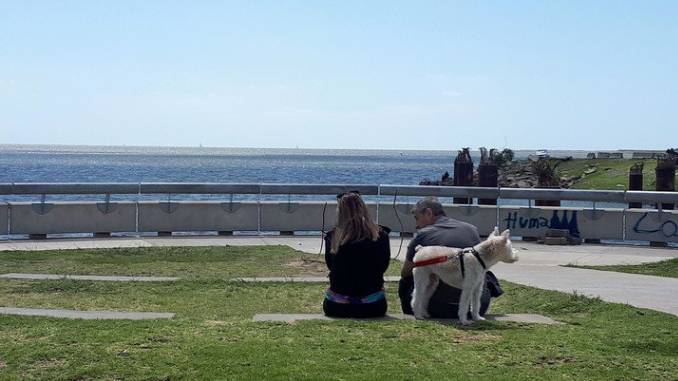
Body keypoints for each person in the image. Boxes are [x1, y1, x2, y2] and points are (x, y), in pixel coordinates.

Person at [398, 197, 503, 318]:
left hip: (438, 307)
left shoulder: (423, 235)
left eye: (417, 218)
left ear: (428, 213)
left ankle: (414, 309)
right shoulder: (472, 229)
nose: (416, 225)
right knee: (484, 274)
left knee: (410, 277)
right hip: (478, 307)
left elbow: (405, 272)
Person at [323, 191, 391, 318]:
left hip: (336, 306)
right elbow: (383, 266)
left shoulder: (332, 237)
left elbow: (331, 266)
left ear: (340, 212)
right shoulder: (381, 236)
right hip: (373, 305)